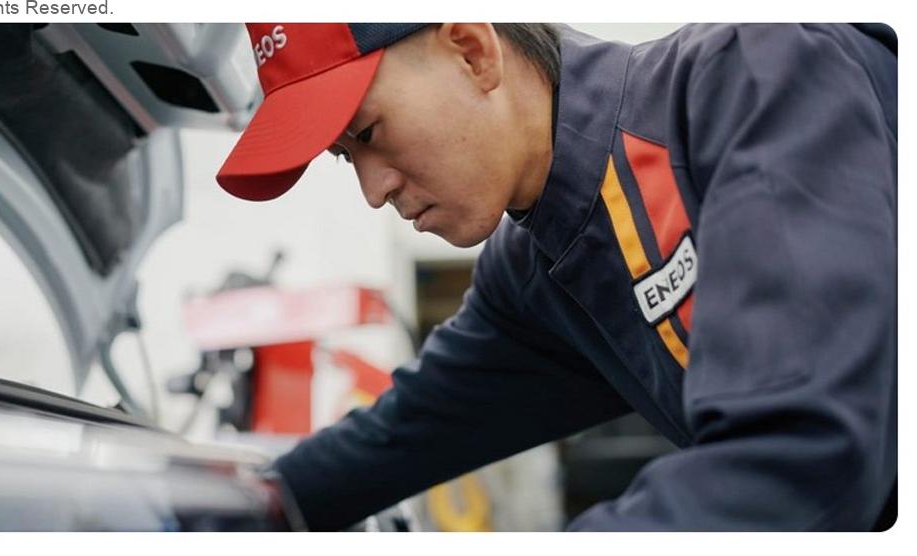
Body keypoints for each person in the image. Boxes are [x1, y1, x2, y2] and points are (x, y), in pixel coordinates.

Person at [215, 23, 897, 531]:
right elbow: (404, 434)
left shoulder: (755, 75)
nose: (373, 190)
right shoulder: (533, 271)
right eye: (345, 158)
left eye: (366, 132)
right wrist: (227, 512)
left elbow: (803, 456)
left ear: (472, 50)